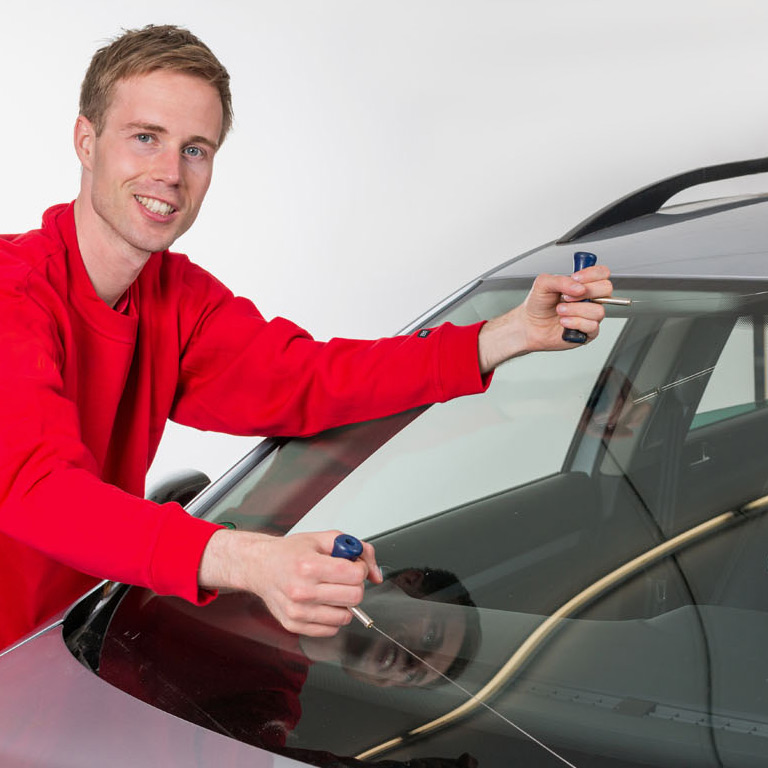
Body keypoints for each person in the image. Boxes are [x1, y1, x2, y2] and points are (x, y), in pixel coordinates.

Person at [0, 24, 612, 650]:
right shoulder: (10, 293)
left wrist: (504, 335)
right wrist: (252, 561)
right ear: (86, 141)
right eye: (145, 138)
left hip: (61, 652)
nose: (171, 173)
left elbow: (312, 380)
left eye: (195, 149)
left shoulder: (174, 298)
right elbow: (38, 490)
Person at [99, 566, 482, 765]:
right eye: (431, 636)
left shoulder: (268, 703)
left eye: (415, 676)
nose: (412, 661)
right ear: (408, 581)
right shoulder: (259, 560)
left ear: (386, 686)